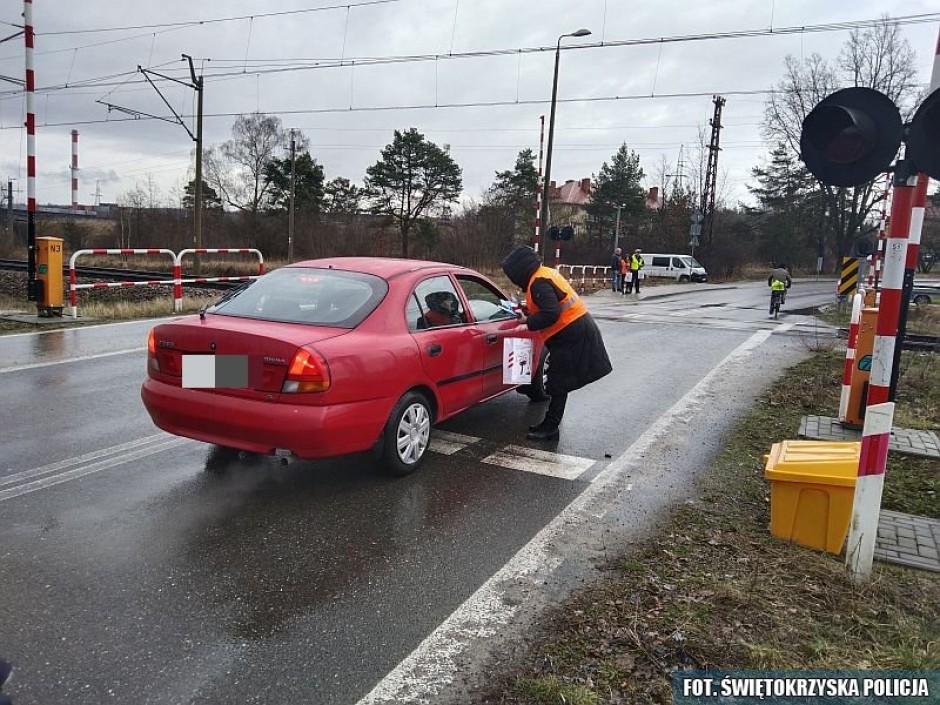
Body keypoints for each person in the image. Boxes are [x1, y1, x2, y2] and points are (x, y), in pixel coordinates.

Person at [501, 245, 613, 441]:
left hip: (571, 334)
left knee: (558, 383)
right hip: (574, 331)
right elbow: (550, 305)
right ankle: (550, 424)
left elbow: (551, 314)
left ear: (520, 271)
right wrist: (528, 311)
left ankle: (550, 427)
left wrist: (527, 320)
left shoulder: (538, 283)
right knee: (558, 381)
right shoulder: (544, 274)